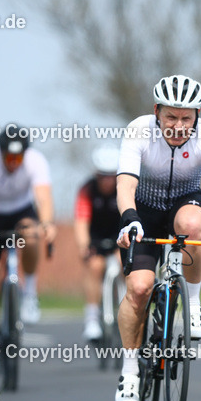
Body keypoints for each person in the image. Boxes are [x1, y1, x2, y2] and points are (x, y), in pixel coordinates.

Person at [113, 75, 201, 401]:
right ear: (156, 111)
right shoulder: (139, 130)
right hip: (142, 210)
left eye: (187, 118)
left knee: (194, 225)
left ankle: (194, 304)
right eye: (171, 116)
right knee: (139, 289)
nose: (178, 126)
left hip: (185, 201)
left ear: (197, 115)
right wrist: (130, 219)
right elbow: (125, 184)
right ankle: (129, 370)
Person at [0, 124, 57, 372]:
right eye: (9, 156)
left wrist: (47, 223)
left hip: (20, 212)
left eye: (19, 157)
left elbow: (43, 197)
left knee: (31, 234)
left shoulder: (35, 161)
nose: (14, 162)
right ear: (1, 152)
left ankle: (29, 293)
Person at [73, 146, 121, 341]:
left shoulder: (125, 188)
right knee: (95, 266)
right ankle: (92, 319)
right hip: (96, 238)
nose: (108, 181)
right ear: (96, 174)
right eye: (103, 176)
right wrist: (84, 246)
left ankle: (127, 309)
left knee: (125, 267)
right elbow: (81, 222)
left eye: (112, 176)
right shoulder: (87, 190)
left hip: (120, 236)